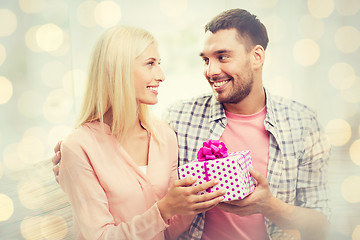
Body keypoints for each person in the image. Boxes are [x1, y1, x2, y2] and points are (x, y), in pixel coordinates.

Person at [53, 9, 331, 240]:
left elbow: (322, 224)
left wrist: (270, 206)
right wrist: (72, 162)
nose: (210, 71)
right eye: (206, 60)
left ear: (256, 56)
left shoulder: (302, 123)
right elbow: (123, 161)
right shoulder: (179, 120)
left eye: (223, 57)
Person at [55, 25, 226, 240]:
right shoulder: (78, 146)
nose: (161, 75)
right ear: (118, 70)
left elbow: (169, 233)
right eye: (150, 64)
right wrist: (163, 210)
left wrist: (196, 200)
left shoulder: (164, 136)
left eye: (159, 64)